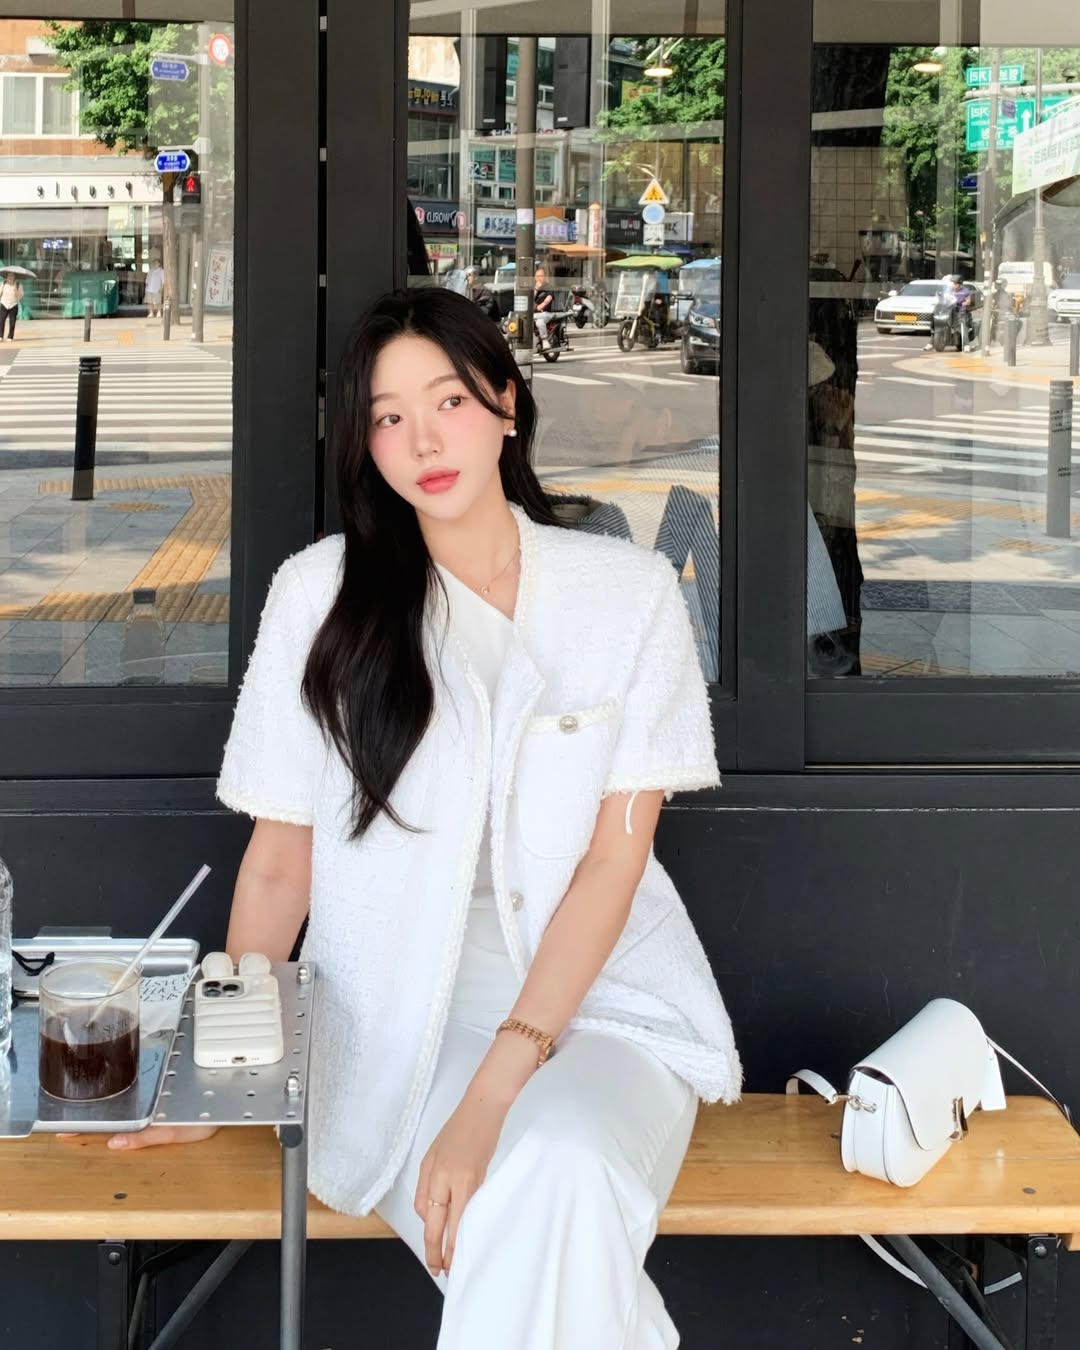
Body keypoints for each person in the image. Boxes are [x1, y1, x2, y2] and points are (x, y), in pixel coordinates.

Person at [72, 288, 740, 1350]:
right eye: (388, 417)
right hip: (389, 1028)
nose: (422, 440)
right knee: (539, 1212)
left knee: (557, 1162)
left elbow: (612, 870)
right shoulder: (320, 598)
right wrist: (221, 1074)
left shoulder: (628, 595)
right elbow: (280, 864)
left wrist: (494, 1096)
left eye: (448, 402)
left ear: (507, 404)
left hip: (605, 1008)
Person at [533, 264, 554, 348]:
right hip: (533, 314)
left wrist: (542, 305)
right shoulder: (533, 288)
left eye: (541, 276)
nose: (539, 278)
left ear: (545, 277)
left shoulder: (548, 287)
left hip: (545, 313)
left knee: (540, 322)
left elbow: (549, 298)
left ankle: (545, 340)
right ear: (535, 277)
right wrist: (536, 289)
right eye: (537, 276)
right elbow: (530, 299)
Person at [0, 272, 24, 340]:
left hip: (13, 305)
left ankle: (10, 336)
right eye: (8, 276)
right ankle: (0, 336)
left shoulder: (19, 285)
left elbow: (20, 297)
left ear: (14, 277)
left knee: (12, 322)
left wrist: (16, 289)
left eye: (11, 276)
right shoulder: (3, 284)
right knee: (1, 320)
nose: (10, 277)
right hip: (4, 304)